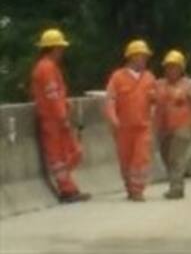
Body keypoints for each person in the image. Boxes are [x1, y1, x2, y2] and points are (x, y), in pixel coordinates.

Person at [29, 29, 90, 204]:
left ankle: (69, 188)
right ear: (54, 49)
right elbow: (52, 95)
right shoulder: (46, 68)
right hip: (53, 119)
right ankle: (67, 190)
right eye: (60, 48)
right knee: (61, 157)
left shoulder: (46, 66)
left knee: (65, 156)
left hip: (53, 117)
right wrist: (62, 115)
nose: (62, 52)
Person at [155, 49, 191, 200]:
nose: (171, 70)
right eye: (168, 67)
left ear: (181, 69)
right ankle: (177, 182)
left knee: (177, 157)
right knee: (167, 157)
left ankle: (176, 188)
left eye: (174, 67)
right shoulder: (159, 85)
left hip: (183, 128)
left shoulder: (190, 86)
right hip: (163, 129)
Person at [105, 39, 157, 201]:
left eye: (145, 57)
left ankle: (137, 190)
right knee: (125, 159)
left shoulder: (149, 77)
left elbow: (155, 101)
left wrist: (154, 104)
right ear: (132, 57)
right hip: (123, 128)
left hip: (143, 127)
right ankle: (129, 186)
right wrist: (113, 118)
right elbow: (110, 99)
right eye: (141, 56)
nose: (144, 60)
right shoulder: (117, 77)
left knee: (141, 159)